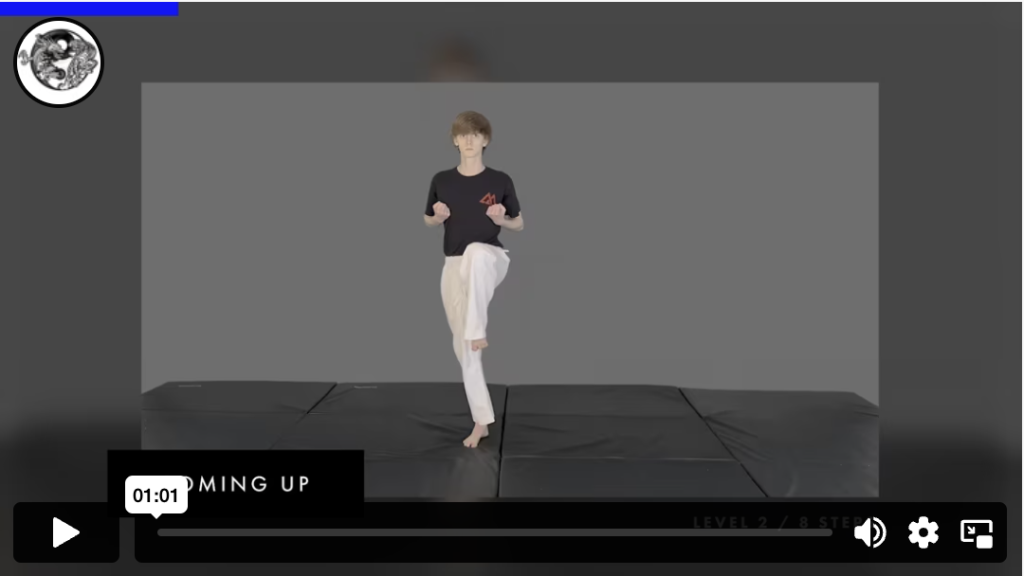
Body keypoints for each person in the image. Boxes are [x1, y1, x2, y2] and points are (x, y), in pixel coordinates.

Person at [423, 111, 524, 448]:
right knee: (464, 348)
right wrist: (437, 217)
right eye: (462, 135)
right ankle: (482, 420)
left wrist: (502, 219)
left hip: (489, 258)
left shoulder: (500, 180)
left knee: (476, 252)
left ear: (485, 140)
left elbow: (519, 223)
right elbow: (427, 219)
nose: (468, 140)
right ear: (455, 141)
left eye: (475, 134)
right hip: (453, 265)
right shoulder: (441, 180)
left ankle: (477, 329)